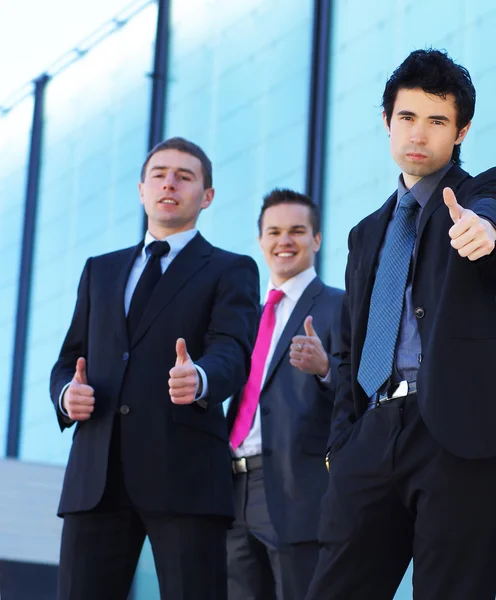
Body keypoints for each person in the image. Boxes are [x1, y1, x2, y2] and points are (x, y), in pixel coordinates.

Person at [306, 49, 496, 600]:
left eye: (438, 121)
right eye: (408, 117)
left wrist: (485, 232)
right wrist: (343, 443)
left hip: (455, 437)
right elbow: (349, 347)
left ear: (461, 132)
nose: (420, 133)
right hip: (371, 432)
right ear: (388, 123)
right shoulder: (366, 233)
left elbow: (490, 209)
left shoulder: (476, 197)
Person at [49, 137, 260, 600]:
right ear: (141, 189)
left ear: (206, 196)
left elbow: (233, 351)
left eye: (185, 176)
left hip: (184, 475)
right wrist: (67, 394)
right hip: (96, 479)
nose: (170, 183)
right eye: (160, 174)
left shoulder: (231, 269)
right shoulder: (98, 271)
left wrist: (200, 376)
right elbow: (70, 358)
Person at [226, 189, 344, 600]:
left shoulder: (339, 307)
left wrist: (326, 368)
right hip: (233, 487)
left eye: (297, 231)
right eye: (274, 232)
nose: (285, 240)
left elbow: (363, 394)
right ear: (260, 241)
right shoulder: (248, 319)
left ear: (316, 239)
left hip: (300, 490)